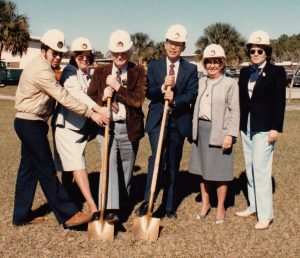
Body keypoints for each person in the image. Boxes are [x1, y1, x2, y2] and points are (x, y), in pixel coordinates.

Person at [13, 29, 109, 227]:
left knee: (28, 171)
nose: (57, 57)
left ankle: (20, 216)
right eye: (54, 53)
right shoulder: (41, 70)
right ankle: (68, 215)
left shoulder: (45, 67)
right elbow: (63, 97)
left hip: (33, 123)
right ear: (43, 51)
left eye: (60, 54)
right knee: (46, 170)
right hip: (30, 123)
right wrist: (92, 113)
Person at [135, 24, 198, 219]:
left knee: (172, 163)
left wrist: (175, 100)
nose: (174, 47)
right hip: (157, 120)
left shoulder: (191, 69)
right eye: (171, 43)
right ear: (165, 44)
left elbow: (192, 94)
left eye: (178, 44)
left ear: (183, 47)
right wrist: (163, 87)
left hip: (178, 121)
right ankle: (148, 202)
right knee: (157, 158)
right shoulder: (154, 66)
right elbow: (149, 91)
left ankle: (169, 206)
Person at [88, 30, 146, 223]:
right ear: (110, 53)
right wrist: (103, 97)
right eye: (115, 53)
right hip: (108, 127)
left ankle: (121, 207)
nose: (119, 57)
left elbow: (137, 101)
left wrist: (117, 88)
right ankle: (110, 209)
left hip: (129, 127)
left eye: (123, 53)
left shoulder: (138, 72)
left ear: (129, 52)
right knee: (109, 164)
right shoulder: (100, 71)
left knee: (126, 169)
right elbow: (90, 98)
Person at [235, 30, 286, 230]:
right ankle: (253, 206)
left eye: (260, 50)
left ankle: (266, 215)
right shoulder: (245, 72)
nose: (255, 54)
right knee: (249, 166)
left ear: (267, 52)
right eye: (252, 51)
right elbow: (241, 100)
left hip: (265, 128)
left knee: (261, 169)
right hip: (246, 126)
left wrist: (275, 128)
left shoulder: (276, 72)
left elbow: (279, 103)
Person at [189, 44, 240, 224]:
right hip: (201, 130)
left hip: (220, 132)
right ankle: (205, 204)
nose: (212, 65)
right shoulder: (201, 81)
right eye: (208, 62)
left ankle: (220, 207)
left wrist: (230, 135)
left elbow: (235, 111)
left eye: (216, 62)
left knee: (220, 172)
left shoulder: (230, 84)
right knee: (203, 170)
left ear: (222, 64)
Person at [53, 37, 102, 219]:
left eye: (88, 56)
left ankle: (68, 199)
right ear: (74, 56)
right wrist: (98, 110)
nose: (85, 59)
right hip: (67, 128)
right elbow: (78, 95)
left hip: (80, 128)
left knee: (68, 168)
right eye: (80, 56)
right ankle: (93, 206)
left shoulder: (88, 73)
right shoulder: (69, 73)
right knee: (77, 164)